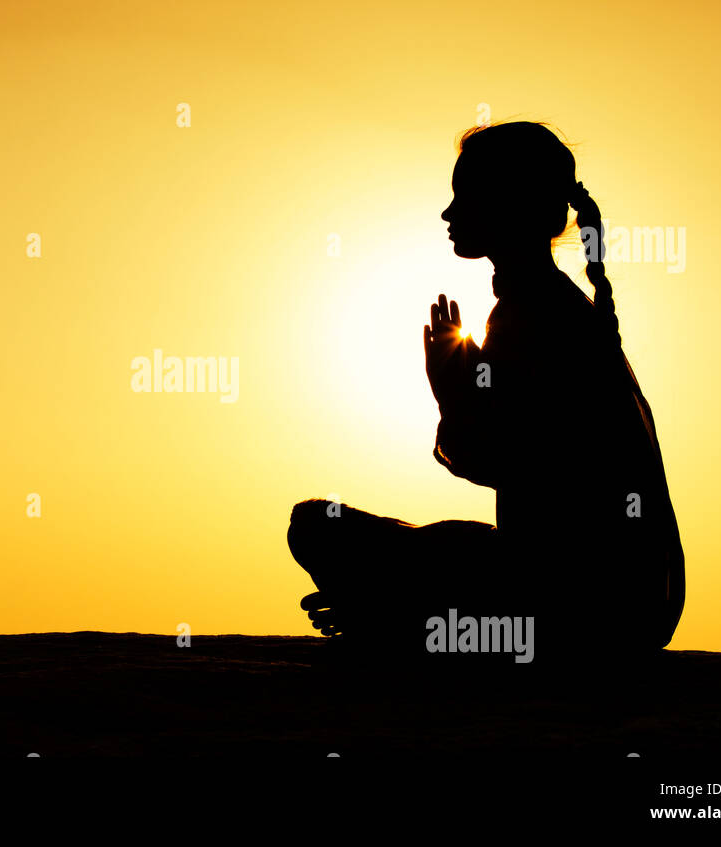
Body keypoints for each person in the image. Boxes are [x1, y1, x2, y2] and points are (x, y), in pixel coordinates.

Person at [287, 122, 685, 661]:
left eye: (464, 198)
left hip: (577, 608)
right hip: (631, 606)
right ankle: (402, 621)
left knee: (316, 527)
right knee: (415, 544)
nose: (449, 215)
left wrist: (450, 396)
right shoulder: (555, 308)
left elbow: (521, 465)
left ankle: (399, 627)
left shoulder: (534, 316)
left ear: (510, 207)